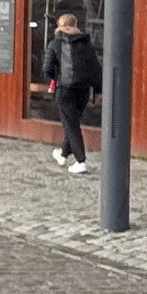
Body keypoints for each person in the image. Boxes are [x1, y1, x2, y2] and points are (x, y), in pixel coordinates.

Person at [43, 12, 101, 175]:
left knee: (71, 125)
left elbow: (47, 69)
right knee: (72, 123)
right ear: (75, 25)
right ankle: (62, 155)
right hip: (83, 91)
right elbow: (96, 69)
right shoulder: (86, 44)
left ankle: (80, 161)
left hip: (65, 90)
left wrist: (56, 78)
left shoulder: (55, 43)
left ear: (60, 26)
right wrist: (98, 90)